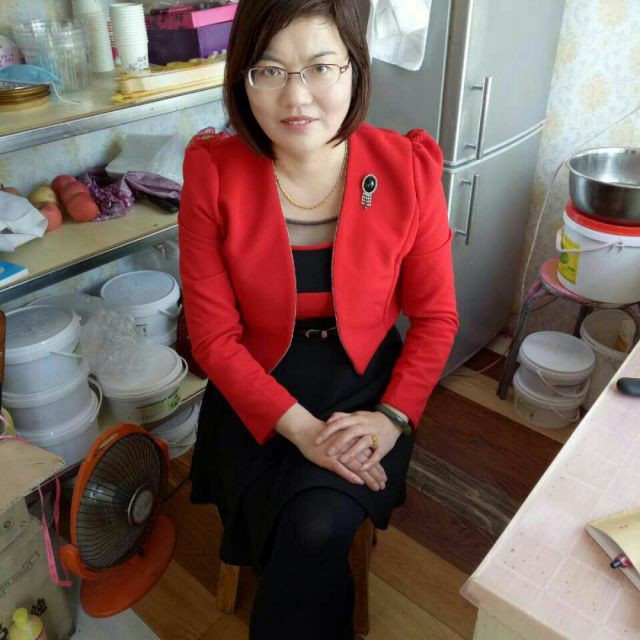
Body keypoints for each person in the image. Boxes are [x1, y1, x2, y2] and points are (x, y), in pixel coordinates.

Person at [178, 0, 458, 637]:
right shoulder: (214, 173)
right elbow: (214, 339)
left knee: (313, 528)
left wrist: (391, 418)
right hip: (255, 387)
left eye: (321, 67)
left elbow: (437, 317)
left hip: (364, 386)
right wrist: (303, 431)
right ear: (242, 76)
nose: (296, 96)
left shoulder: (407, 170)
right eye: (269, 70)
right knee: (303, 534)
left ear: (355, 68)